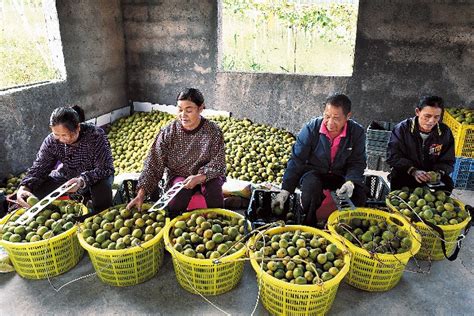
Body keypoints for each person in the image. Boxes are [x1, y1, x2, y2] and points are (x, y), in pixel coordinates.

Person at [126, 88, 226, 217]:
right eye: (180, 109)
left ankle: (219, 222)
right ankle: (174, 226)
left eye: (189, 110)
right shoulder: (169, 132)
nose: (183, 114)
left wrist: (200, 177)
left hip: (207, 175)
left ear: (201, 108)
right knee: (178, 196)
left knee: (214, 190)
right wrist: (141, 194)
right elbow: (153, 163)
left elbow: (219, 163)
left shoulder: (213, 131)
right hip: (180, 176)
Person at [273, 93, 367, 227]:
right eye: (327, 116)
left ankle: (344, 226)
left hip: (341, 175)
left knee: (359, 194)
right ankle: (310, 223)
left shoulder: (357, 132)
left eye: (336, 118)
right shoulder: (311, 128)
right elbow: (297, 159)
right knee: (310, 188)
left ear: (348, 117)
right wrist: (285, 190)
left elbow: (357, 162)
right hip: (315, 173)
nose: (330, 123)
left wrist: (350, 182)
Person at [16, 106, 114, 212]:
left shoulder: (95, 136)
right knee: (35, 190)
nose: (61, 139)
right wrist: (24, 187)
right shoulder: (52, 141)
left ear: (78, 127)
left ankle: (99, 214)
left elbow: (106, 168)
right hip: (68, 176)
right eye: (57, 134)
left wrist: (82, 180)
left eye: (65, 135)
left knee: (102, 190)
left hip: (94, 176)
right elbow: (40, 167)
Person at [387, 95, 455, 192]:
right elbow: (393, 156)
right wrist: (414, 171)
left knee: (448, 186)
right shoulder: (402, 129)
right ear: (417, 112)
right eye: (427, 116)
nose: (431, 121)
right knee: (399, 186)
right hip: (406, 172)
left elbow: (448, 160)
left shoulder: (445, 132)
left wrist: (437, 173)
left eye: (436, 117)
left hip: (430, 176)